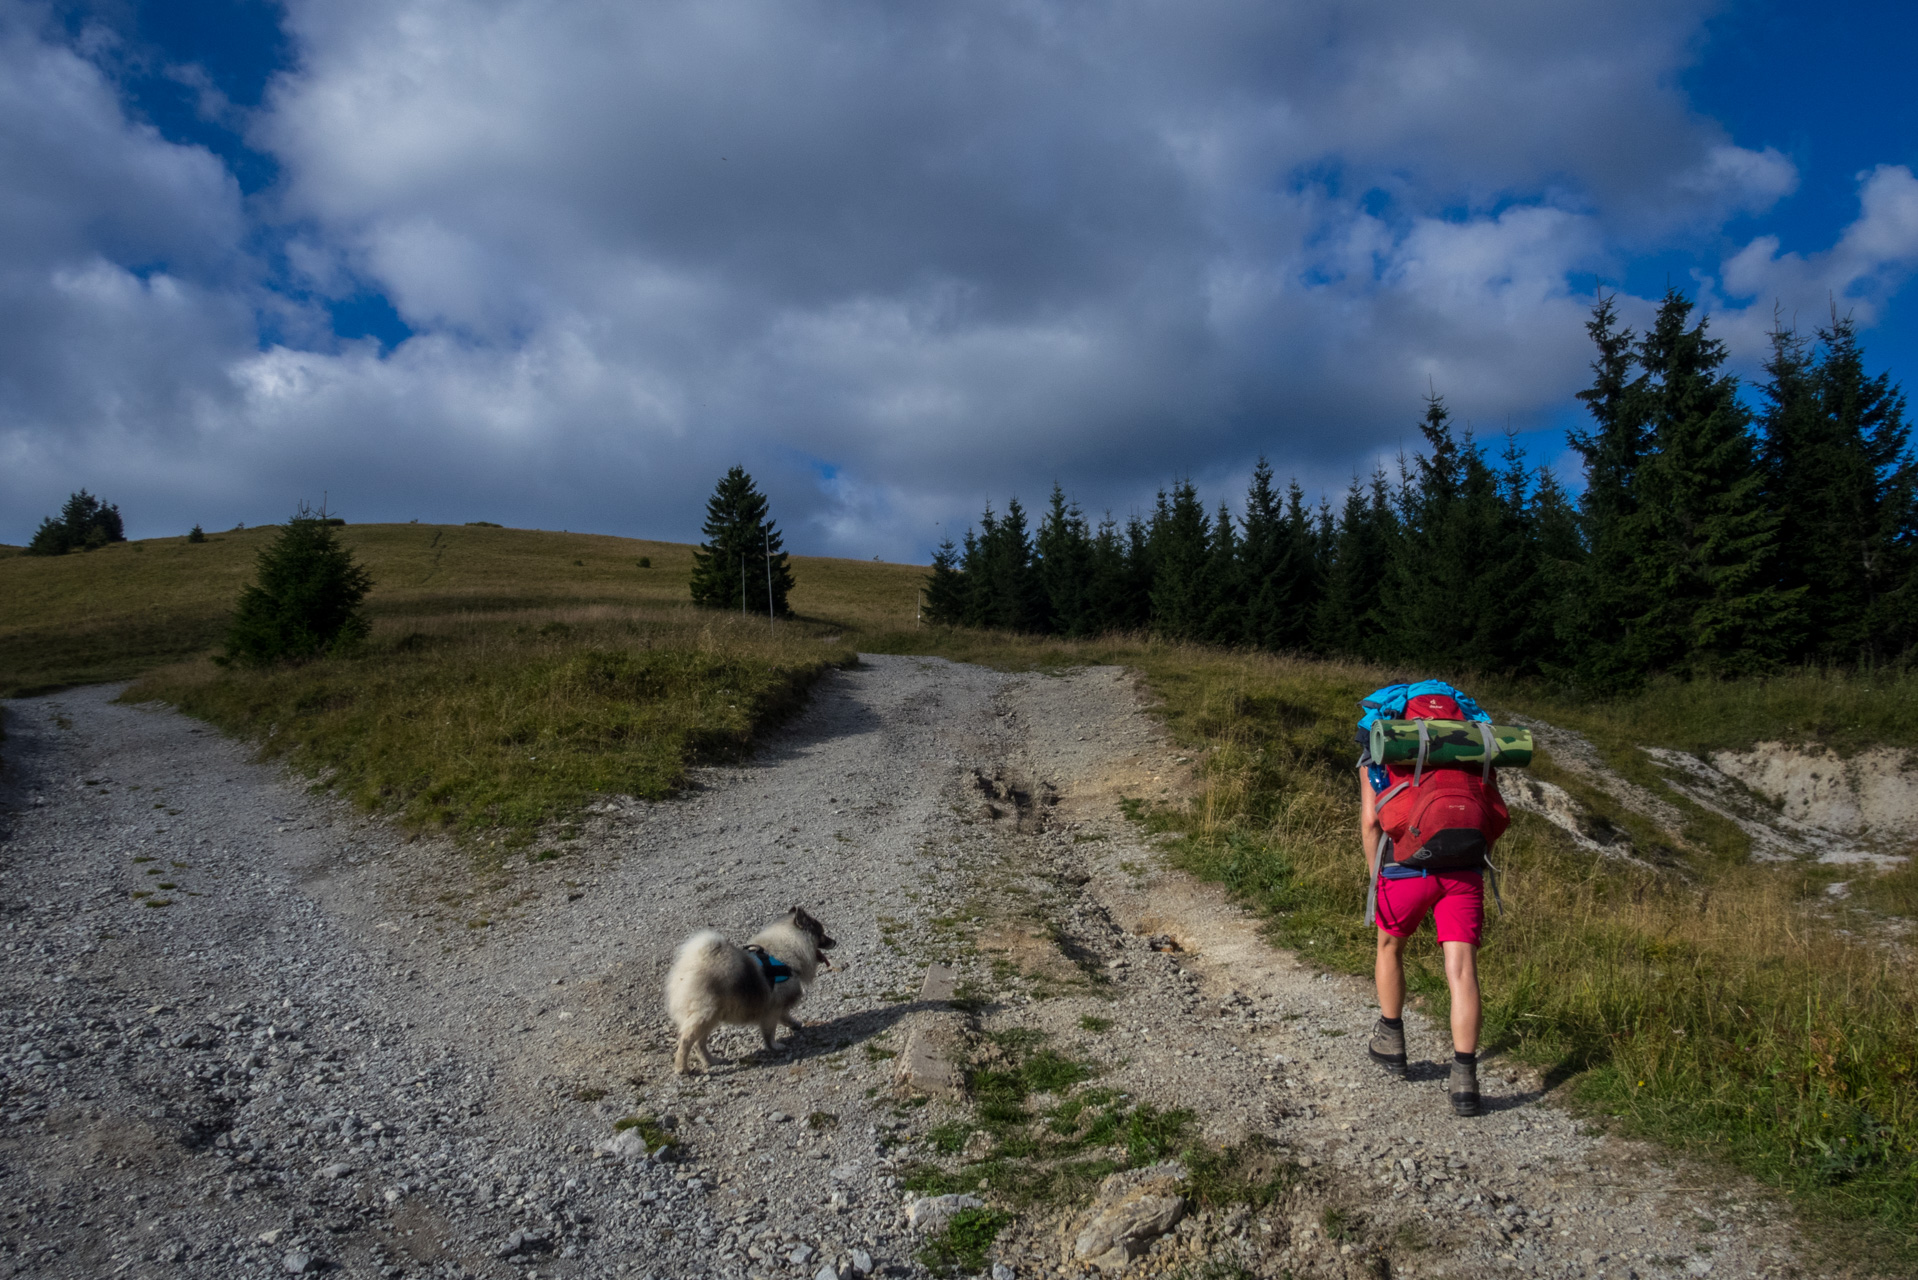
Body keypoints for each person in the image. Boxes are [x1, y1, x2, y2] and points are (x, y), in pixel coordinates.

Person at [1358, 719, 1489, 1118]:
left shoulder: (1379, 753)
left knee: (1390, 946)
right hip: (1464, 870)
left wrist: (1375, 873)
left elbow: (1370, 820)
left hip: (1403, 867)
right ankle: (1465, 1080)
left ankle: (1391, 1042)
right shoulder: (1468, 752)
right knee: (1463, 969)